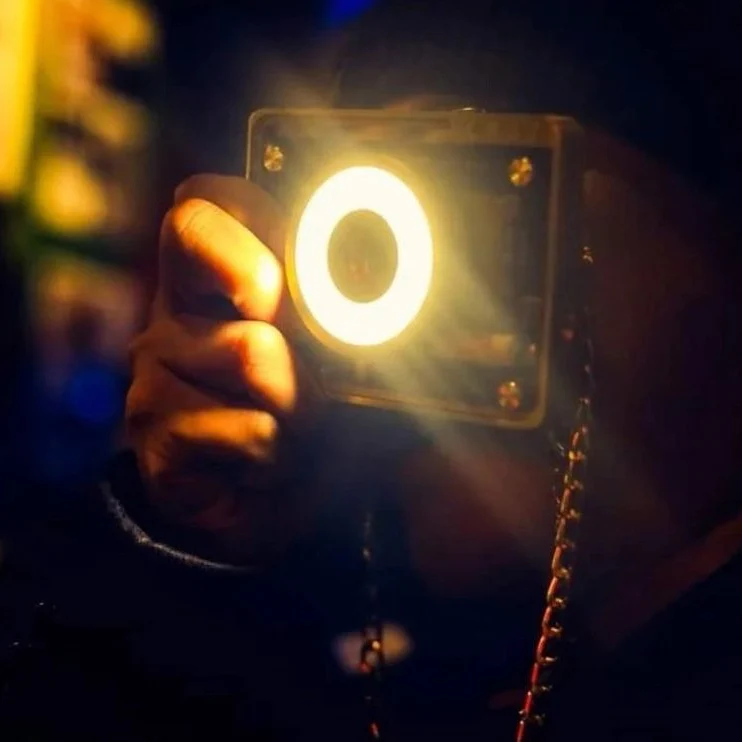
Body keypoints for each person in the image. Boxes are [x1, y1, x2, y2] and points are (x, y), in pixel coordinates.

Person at [2, 2, 742, 740]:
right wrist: (186, 544)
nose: (433, 297)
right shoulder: (397, 664)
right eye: (363, 236)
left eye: (505, 200)